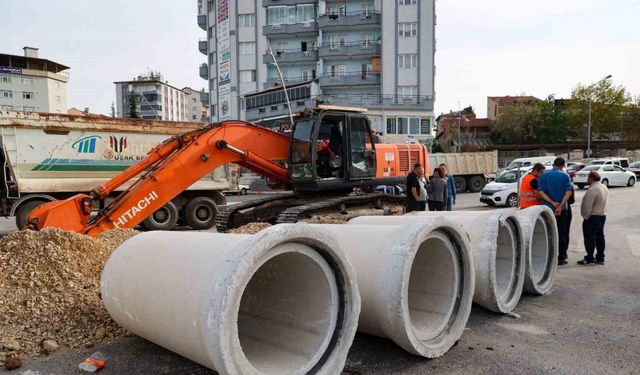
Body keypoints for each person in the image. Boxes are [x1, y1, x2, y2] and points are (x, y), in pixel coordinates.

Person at [537, 157, 573, 265]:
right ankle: (561, 257)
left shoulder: (544, 176)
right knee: (562, 233)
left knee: (548, 233)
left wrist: (552, 202)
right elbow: (568, 192)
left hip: (547, 209)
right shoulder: (565, 176)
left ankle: (548, 256)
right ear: (563, 165)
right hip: (562, 210)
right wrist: (560, 206)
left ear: (553, 164)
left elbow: (540, 192)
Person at [578, 171, 609, 265]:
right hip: (602, 215)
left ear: (591, 178)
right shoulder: (604, 187)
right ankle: (600, 258)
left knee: (589, 238)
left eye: (588, 178)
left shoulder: (593, 189)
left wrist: (585, 216)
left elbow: (587, 205)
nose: (587, 180)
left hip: (593, 217)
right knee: (600, 237)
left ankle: (590, 258)